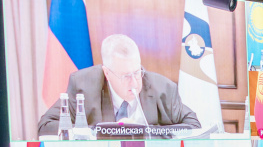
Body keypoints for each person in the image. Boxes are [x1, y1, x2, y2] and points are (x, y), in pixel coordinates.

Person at [37, 34, 200, 134]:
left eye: (137, 72)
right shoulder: (83, 85)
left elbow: (193, 125)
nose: (134, 82)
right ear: (107, 73)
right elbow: (45, 125)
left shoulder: (163, 89)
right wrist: (97, 132)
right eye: (125, 76)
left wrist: (147, 131)